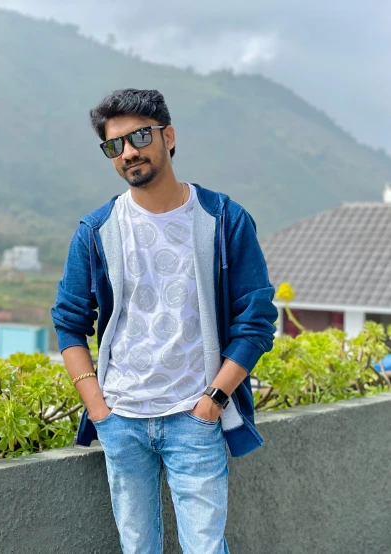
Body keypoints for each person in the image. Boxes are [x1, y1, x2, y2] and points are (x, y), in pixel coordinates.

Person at [50, 89, 278, 554]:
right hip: (122, 418)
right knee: (137, 547)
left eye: (139, 136)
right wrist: (99, 409)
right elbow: (69, 321)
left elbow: (257, 321)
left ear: (167, 136)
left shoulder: (223, 219)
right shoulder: (97, 230)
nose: (129, 151)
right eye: (115, 145)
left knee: (205, 548)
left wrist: (214, 400)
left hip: (194, 417)